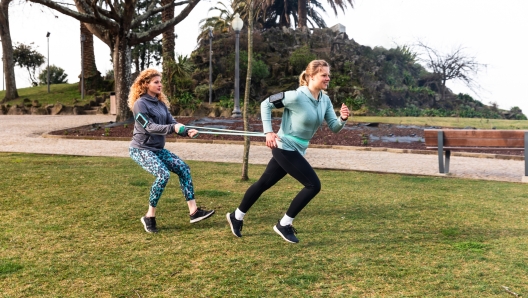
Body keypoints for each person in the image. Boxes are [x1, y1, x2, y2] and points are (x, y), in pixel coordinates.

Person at [226, 60, 350, 243]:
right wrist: (268, 131)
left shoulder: (325, 100)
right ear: (310, 77)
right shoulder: (295, 96)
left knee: (263, 184)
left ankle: (236, 216)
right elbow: (265, 104)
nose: (328, 78)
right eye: (324, 75)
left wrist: (343, 118)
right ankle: (284, 224)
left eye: (328, 75)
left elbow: (334, 126)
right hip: (284, 147)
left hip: (298, 150)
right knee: (313, 185)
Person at [128, 68, 214, 233]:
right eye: (156, 82)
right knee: (163, 174)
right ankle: (149, 216)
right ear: (146, 84)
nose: (160, 85)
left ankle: (194, 212)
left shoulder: (160, 104)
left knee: (183, 168)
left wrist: (187, 130)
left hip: (157, 149)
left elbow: (172, 122)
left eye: (160, 82)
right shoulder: (139, 105)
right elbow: (150, 127)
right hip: (141, 149)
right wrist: (173, 127)